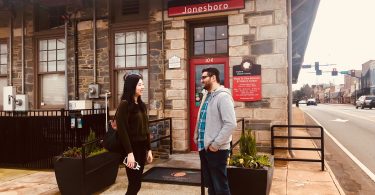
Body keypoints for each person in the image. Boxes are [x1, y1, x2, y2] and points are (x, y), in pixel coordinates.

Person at [194, 67, 237, 195]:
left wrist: (216, 144)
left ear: (213, 78)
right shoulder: (206, 96)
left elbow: (230, 124)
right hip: (204, 147)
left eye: (204, 77)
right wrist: (196, 135)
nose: (201, 80)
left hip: (216, 149)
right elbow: (202, 117)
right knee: (211, 185)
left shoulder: (223, 97)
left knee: (220, 186)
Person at [115, 73, 153, 195]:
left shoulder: (141, 105)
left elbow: (146, 129)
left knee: (137, 183)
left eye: (143, 84)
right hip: (132, 150)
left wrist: (149, 149)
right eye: (139, 84)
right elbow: (122, 131)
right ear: (132, 86)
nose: (142, 87)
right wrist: (129, 153)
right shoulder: (124, 105)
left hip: (141, 149)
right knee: (134, 184)